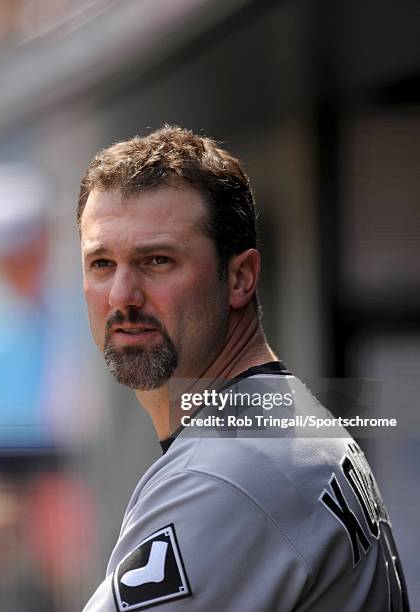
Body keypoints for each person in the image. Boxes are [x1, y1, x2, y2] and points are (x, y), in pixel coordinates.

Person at [77, 126, 409, 611]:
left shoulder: (226, 475)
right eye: (102, 263)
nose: (122, 295)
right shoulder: (276, 425)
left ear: (240, 278)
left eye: (157, 260)